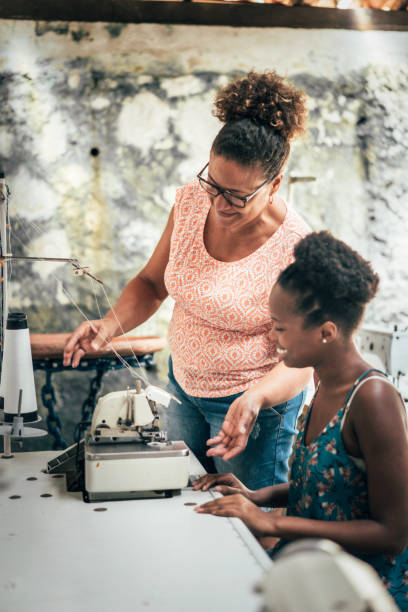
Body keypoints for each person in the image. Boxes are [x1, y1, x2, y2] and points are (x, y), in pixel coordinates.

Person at [63, 70, 312, 489]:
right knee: (181, 504)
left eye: (239, 196)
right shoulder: (192, 201)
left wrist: (255, 400)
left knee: (250, 522)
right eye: (214, 184)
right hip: (183, 390)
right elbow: (151, 284)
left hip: (253, 410)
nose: (220, 204)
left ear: (275, 185)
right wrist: (110, 324)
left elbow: (303, 360)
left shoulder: (295, 248)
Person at [193, 231, 408, 609]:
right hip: (315, 569)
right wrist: (256, 496)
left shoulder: (373, 399)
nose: (274, 338)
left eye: (280, 328)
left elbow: (393, 532)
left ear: (326, 332)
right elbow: (327, 487)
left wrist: (272, 523)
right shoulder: (321, 380)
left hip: (358, 591)